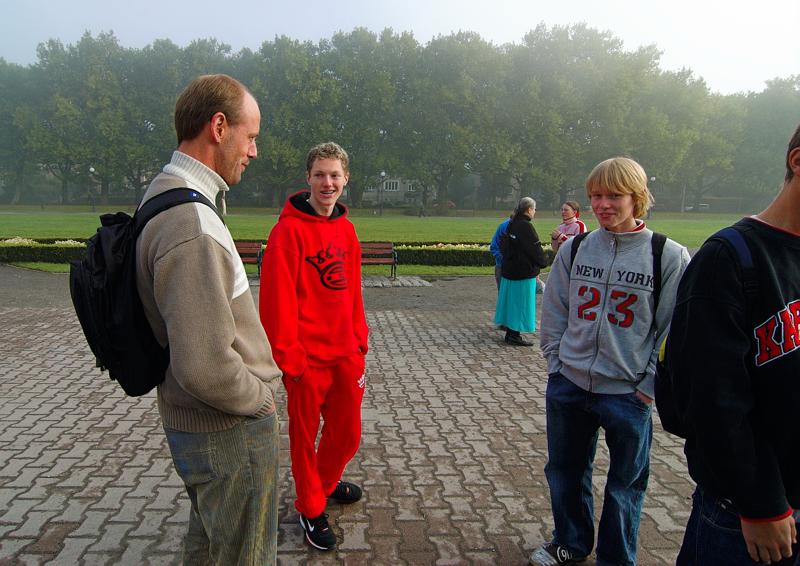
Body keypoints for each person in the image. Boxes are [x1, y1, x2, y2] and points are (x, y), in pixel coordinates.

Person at [135, 74, 282, 564]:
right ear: (219, 127)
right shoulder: (191, 223)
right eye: (250, 136)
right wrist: (260, 400)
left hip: (199, 423)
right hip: (227, 428)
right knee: (246, 556)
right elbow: (204, 365)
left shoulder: (165, 191)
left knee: (209, 549)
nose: (254, 151)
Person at [533, 157, 689, 566]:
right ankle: (570, 542)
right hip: (569, 384)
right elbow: (555, 309)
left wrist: (648, 386)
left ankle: (616, 559)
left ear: (637, 197)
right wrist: (556, 364)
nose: (603, 204)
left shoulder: (667, 255)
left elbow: (673, 330)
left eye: (614, 195)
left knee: (625, 485)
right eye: (596, 196)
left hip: (627, 393)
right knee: (565, 472)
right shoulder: (576, 248)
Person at [668, 125, 800, 565]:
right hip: (749, 517)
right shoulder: (729, 257)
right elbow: (711, 400)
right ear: (797, 161)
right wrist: (760, 502)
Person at [259, 142, 369, 552]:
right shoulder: (286, 233)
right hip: (306, 361)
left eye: (335, 175)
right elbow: (276, 302)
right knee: (304, 442)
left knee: (348, 434)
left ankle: (323, 484)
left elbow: (354, 291)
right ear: (308, 177)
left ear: (345, 179)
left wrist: (360, 339)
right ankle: (310, 507)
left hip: (345, 355)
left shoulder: (347, 229)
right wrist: (291, 360)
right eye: (320, 174)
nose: (327, 183)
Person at [494, 197, 549, 346]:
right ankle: (514, 335)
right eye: (534, 209)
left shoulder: (511, 224)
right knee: (521, 304)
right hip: (523, 273)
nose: (534, 212)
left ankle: (510, 333)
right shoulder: (525, 226)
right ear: (529, 209)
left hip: (510, 271)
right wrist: (543, 262)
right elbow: (534, 248)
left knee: (512, 303)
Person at [490, 213, 512, 289]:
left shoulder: (524, 227)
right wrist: (504, 259)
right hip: (502, 267)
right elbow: (494, 246)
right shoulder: (503, 226)